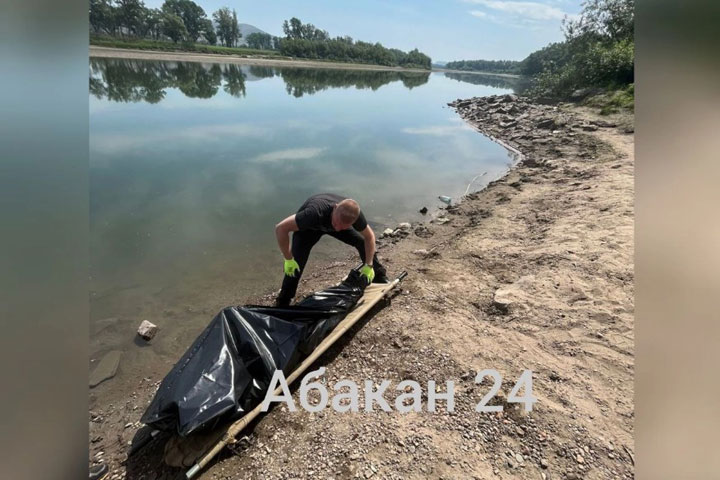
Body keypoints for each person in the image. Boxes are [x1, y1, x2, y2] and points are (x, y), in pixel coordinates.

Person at [274, 193, 388, 306]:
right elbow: (281, 228)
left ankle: (379, 277)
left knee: (361, 243)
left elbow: (369, 237)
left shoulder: (354, 215)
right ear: (335, 207)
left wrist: (369, 265)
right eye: (336, 224)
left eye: (343, 227)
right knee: (296, 264)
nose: (337, 229)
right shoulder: (312, 214)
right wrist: (288, 258)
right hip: (309, 229)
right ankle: (284, 300)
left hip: (333, 220)